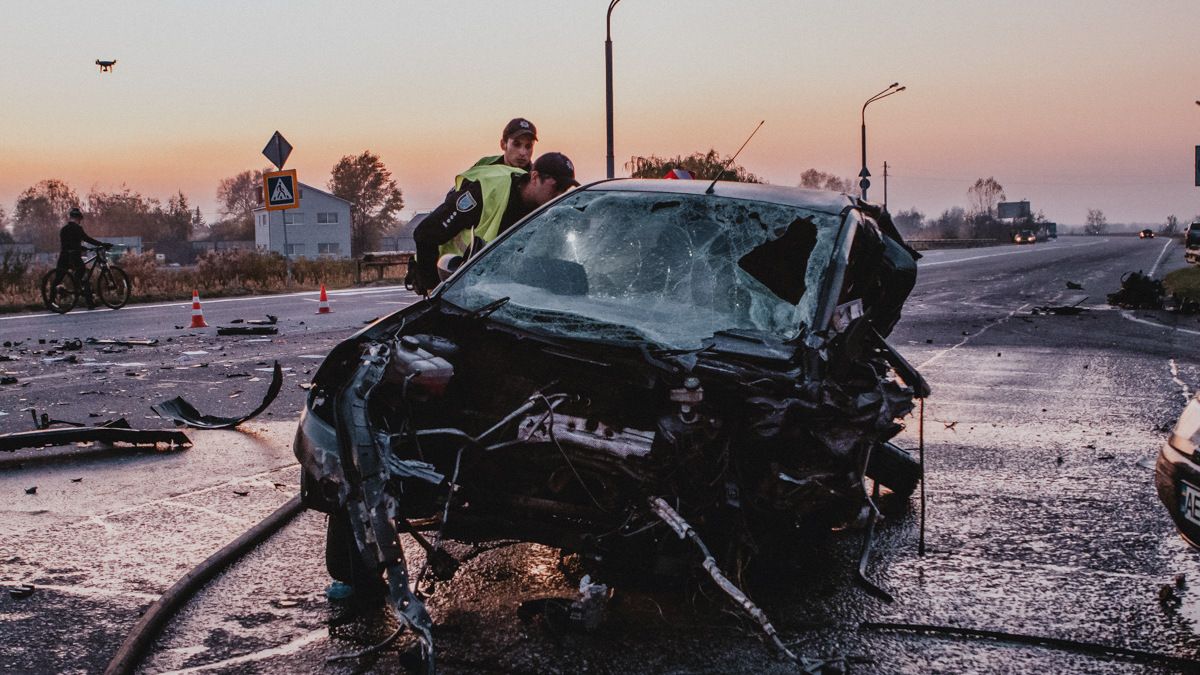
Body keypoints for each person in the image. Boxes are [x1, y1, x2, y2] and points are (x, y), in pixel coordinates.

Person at [411, 152, 579, 294]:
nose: (560, 196)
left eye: (565, 190)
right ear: (535, 177)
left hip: (489, 291)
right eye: (556, 187)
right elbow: (425, 234)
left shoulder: (547, 210)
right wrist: (435, 291)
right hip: (449, 278)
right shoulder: (487, 190)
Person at [52, 207, 110, 309]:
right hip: (74, 257)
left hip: (63, 257)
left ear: (70, 217)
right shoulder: (78, 229)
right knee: (84, 274)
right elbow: (86, 238)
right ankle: (89, 302)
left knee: (57, 279)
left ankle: (50, 302)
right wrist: (101, 244)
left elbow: (68, 244)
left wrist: (83, 248)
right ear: (79, 219)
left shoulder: (64, 230)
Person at [472, 117, 537, 170]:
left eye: (528, 146)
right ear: (503, 144)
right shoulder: (484, 165)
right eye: (516, 144)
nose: (523, 153)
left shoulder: (538, 179)